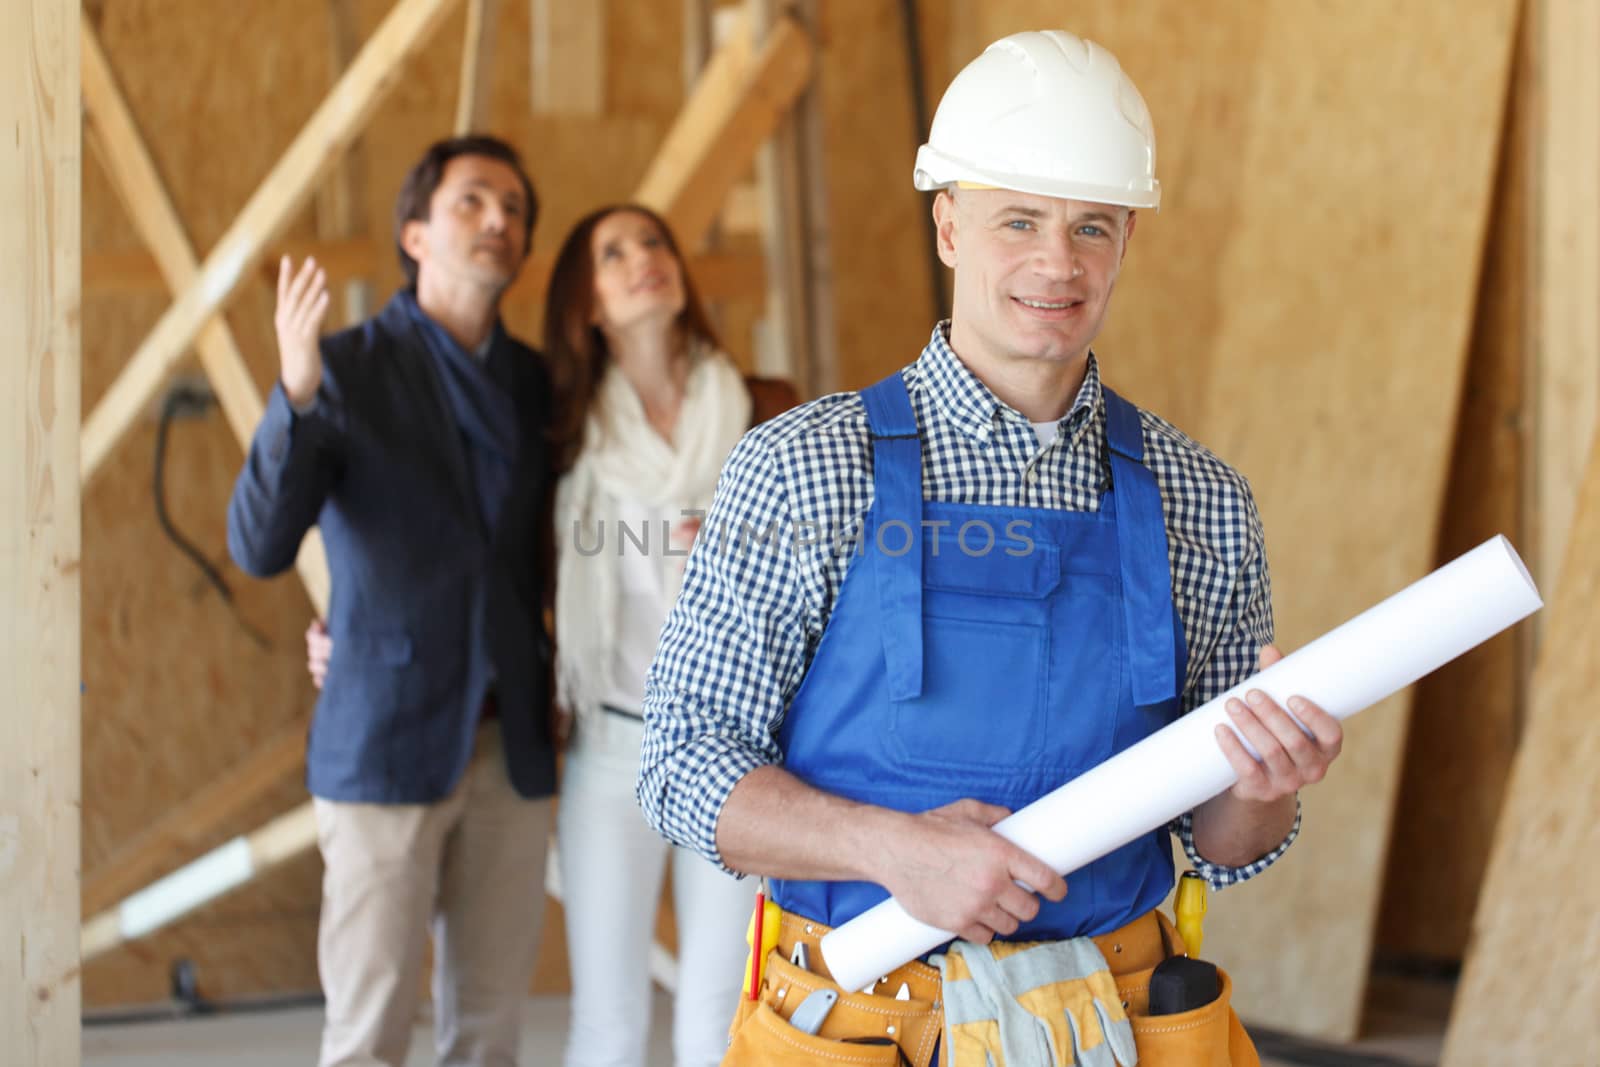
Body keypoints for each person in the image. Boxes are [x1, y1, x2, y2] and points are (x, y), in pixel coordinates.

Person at [637, 30, 1345, 1067]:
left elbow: (1221, 842)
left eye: (1091, 227)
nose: (1057, 263)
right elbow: (679, 760)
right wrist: (893, 849)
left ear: (1125, 241)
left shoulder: (1205, 501)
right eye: (1019, 219)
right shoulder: (798, 468)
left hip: (1118, 1023)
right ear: (949, 225)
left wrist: (1268, 782)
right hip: (860, 1022)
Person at [304, 203, 795, 1067]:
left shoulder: (765, 411)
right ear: (590, 305)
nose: (644, 258)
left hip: (742, 748)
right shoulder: (563, 435)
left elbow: (830, 572)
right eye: (615, 253)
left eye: (655, 242)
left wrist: (742, 539)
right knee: (607, 1021)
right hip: (610, 747)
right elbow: (485, 563)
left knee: (722, 1012)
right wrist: (350, 624)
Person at [228, 135, 558, 1067]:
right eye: (473, 202)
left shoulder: (534, 382)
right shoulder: (342, 367)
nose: (499, 219)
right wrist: (293, 395)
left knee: (490, 1032)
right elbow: (257, 545)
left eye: (515, 209)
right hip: (383, 739)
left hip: (512, 743)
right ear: (415, 233)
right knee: (368, 1031)